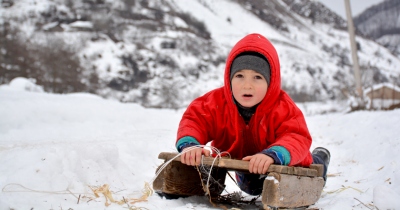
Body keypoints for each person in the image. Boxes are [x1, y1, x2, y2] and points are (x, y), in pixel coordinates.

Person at [175, 33, 330, 195]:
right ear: (229, 79)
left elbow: (296, 135)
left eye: (257, 77)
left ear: (270, 82)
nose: (247, 86)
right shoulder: (216, 102)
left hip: (287, 160)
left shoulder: (282, 107)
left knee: (308, 165)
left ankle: (321, 159)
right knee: (251, 187)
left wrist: (274, 155)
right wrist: (191, 145)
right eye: (239, 76)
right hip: (246, 163)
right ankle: (251, 180)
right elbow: (195, 120)